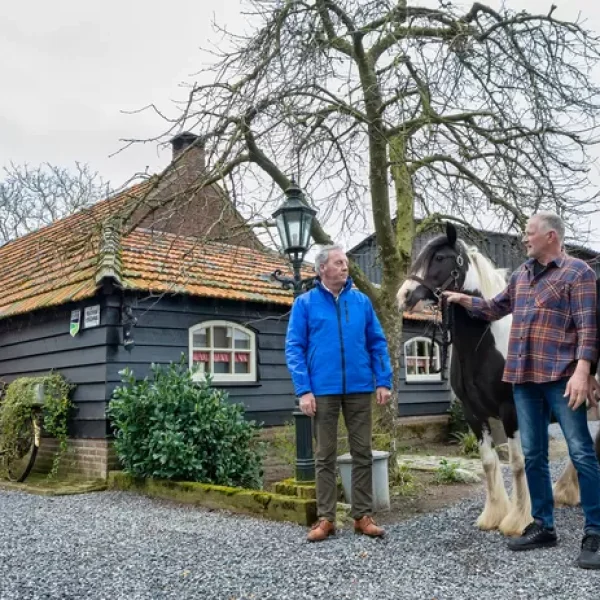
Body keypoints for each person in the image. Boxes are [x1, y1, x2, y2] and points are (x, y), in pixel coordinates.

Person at [445, 212, 600, 569]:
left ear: (550, 236)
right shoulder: (522, 275)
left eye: (528, 234)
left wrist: (583, 371)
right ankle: (543, 524)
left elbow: (588, 328)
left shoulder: (578, 273)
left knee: (580, 453)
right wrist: (463, 299)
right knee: (533, 455)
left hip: (562, 379)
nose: (523, 239)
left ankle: (594, 530)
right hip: (523, 379)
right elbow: (495, 308)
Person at [285, 244, 392, 542]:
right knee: (325, 456)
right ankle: (326, 519)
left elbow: (377, 343)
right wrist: (304, 390)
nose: (345, 267)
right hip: (322, 390)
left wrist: (383, 380)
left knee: (362, 453)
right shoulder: (304, 304)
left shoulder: (361, 302)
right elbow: (294, 348)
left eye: (346, 262)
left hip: (359, 387)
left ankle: (362, 516)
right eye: (339, 262)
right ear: (323, 269)